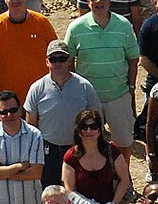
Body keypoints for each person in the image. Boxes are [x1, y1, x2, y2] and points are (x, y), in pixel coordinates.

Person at [64, 0, 140, 146]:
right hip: (88, 99)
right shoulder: (75, 28)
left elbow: (133, 59)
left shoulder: (124, 25)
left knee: (124, 144)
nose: (99, 1)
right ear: (88, 2)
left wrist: (131, 88)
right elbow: (69, 62)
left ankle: (122, 172)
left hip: (118, 96)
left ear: (109, 0)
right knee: (88, 145)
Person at [29, 47, 106, 189]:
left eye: (62, 59)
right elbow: (31, 125)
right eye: (53, 59)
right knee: (50, 192)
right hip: (48, 152)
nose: (58, 63)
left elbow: (96, 118)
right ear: (47, 62)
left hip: (78, 150)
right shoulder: (37, 88)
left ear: (69, 61)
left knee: (78, 191)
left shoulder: (84, 86)